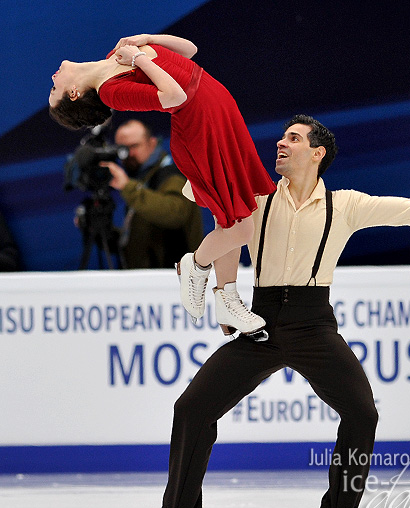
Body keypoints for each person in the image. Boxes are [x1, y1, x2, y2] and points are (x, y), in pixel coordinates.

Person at [130, 114, 410, 508]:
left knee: (362, 413)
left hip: (312, 324)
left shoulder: (347, 205)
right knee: (191, 409)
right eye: (281, 137)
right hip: (261, 322)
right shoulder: (256, 197)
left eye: (293, 139)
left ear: (317, 153)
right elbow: (209, 201)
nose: (280, 143)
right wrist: (228, 296)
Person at [49, 34, 276, 337]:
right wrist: (139, 58)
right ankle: (195, 265)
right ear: (74, 93)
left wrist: (148, 39)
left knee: (235, 220)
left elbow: (191, 51)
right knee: (242, 228)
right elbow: (175, 96)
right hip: (199, 127)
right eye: (55, 89)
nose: (53, 79)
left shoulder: (115, 53)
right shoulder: (111, 91)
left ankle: (228, 301)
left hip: (218, 108)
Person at [100, 119, 203, 269]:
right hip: (147, 280)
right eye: (122, 148)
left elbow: (176, 213)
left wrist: (128, 187)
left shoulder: (171, 174)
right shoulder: (141, 177)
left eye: (134, 146)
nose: (129, 154)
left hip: (173, 281)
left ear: (152, 143)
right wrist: (102, 231)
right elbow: (138, 240)